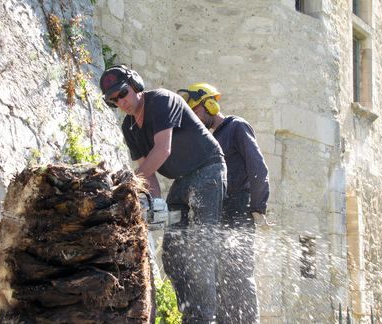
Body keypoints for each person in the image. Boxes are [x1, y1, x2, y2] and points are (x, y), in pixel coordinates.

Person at [100, 66, 227, 323]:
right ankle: (190, 313)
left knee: (201, 246)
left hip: (208, 169)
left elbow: (162, 150)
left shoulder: (160, 101)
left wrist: (127, 183)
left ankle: (206, 317)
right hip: (181, 181)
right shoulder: (130, 128)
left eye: (123, 93)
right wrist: (154, 202)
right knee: (172, 252)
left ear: (135, 85)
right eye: (113, 99)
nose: (121, 101)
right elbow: (150, 176)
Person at [178, 82, 270, 324]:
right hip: (215, 212)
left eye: (196, 112)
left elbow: (258, 166)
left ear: (210, 104)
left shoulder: (236, 127)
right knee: (217, 280)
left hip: (238, 208)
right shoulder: (207, 141)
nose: (195, 119)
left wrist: (258, 206)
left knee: (239, 278)